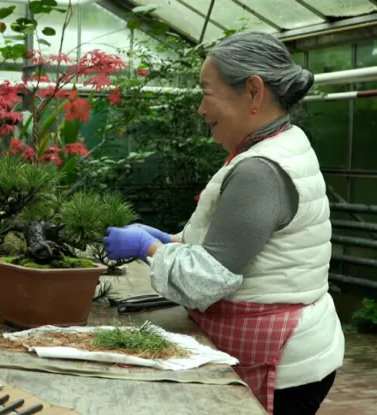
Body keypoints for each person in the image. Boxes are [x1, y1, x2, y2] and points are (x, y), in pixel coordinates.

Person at [104, 32, 344, 415]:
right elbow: (241, 245)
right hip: (301, 345)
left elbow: (210, 279)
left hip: (283, 365)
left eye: (207, 92)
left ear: (253, 92)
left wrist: (147, 249)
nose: (201, 108)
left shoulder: (261, 170)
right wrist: (171, 239)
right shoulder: (280, 142)